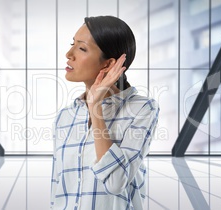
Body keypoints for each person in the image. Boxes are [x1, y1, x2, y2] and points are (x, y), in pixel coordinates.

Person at [51, 16, 159, 210]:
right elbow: (57, 190)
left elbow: (116, 183)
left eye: (81, 48)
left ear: (108, 64)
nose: (69, 54)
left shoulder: (141, 109)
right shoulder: (65, 117)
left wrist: (95, 108)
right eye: (72, 44)